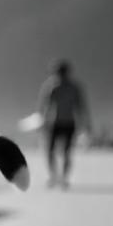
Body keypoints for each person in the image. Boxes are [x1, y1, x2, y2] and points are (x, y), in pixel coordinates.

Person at [37, 60, 90, 189]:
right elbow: (44, 106)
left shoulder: (68, 87)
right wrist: (43, 120)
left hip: (65, 122)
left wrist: (86, 122)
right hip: (56, 122)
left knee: (64, 151)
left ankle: (62, 177)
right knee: (53, 151)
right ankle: (55, 176)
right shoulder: (52, 86)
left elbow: (81, 106)